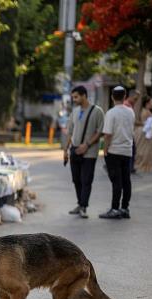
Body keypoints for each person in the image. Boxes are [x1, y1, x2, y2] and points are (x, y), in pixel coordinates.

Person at [63, 85, 105, 218]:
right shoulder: (75, 112)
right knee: (76, 179)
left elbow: (100, 131)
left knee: (86, 179)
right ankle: (79, 203)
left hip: (90, 152)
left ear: (84, 95)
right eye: (73, 97)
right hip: (74, 150)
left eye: (76, 97)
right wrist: (65, 150)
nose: (74, 99)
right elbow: (69, 131)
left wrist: (87, 145)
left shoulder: (97, 111)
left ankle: (84, 207)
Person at [99, 86, 135, 219]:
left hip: (114, 151)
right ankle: (125, 208)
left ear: (112, 97)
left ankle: (114, 209)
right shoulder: (130, 112)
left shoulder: (111, 113)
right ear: (125, 96)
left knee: (116, 181)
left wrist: (105, 149)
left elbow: (108, 134)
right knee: (127, 181)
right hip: (127, 150)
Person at [134, 95, 152, 173]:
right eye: (151, 102)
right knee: (144, 150)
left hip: (147, 133)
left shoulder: (146, 111)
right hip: (144, 133)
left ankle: (150, 165)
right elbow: (146, 123)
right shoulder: (145, 111)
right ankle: (144, 164)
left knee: (149, 150)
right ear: (147, 103)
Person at [124, 89, 140, 173]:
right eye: (135, 99)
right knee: (132, 149)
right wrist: (142, 123)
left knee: (132, 149)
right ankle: (130, 168)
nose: (136, 101)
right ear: (130, 96)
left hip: (128, 131)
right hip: (126, 132)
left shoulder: (129, 105)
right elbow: (131, 120)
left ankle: (130, 167)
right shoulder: (127, 105)